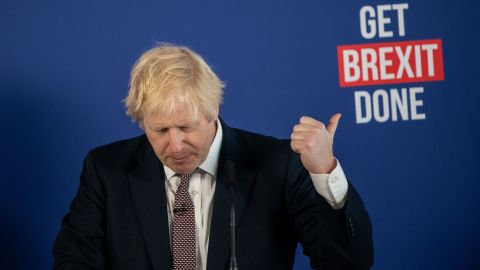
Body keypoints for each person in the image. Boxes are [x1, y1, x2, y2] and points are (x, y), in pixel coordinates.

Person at [53, 44, 374, 270]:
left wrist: (323, 171)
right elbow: (75, 261)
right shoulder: (106, 170)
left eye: (186, 127)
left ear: (213, 110)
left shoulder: (277, 164)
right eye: (160, 131)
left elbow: (347, 265)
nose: (175, 145)